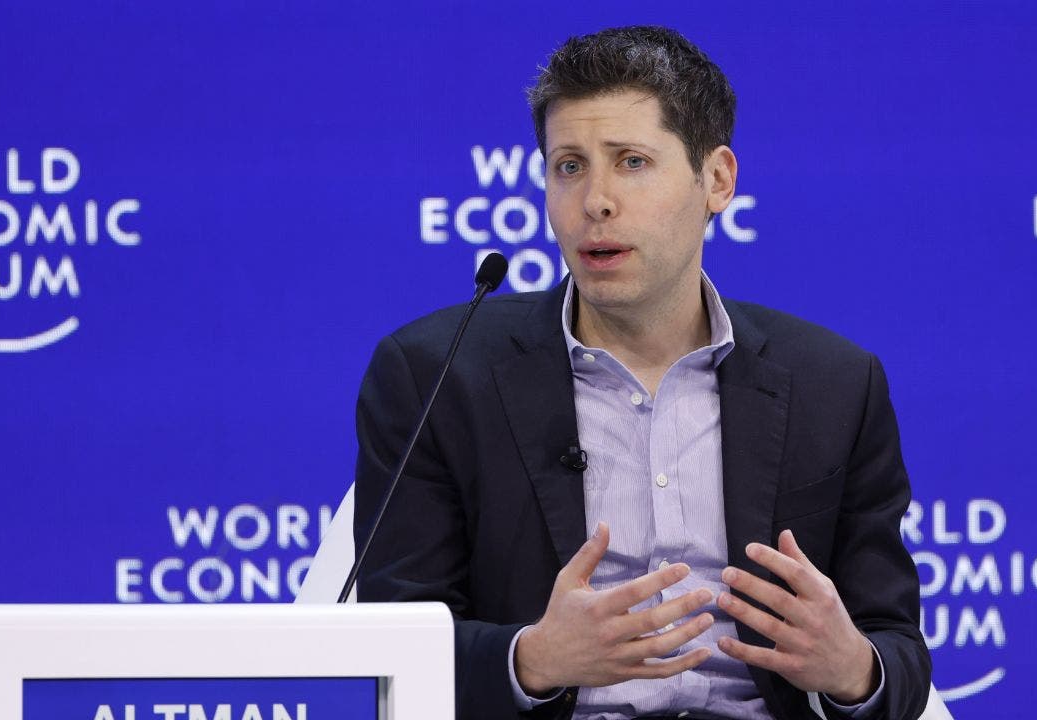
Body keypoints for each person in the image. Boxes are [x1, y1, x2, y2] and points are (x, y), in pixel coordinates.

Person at [355, 25, 930, 720]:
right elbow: (393, 642)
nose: (595, 200)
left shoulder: (833, 384)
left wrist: (852, 669)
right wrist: (531, 660)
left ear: (717, 180)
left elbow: (896, 648)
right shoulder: (438, 375)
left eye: (631, 162)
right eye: (569, 166)